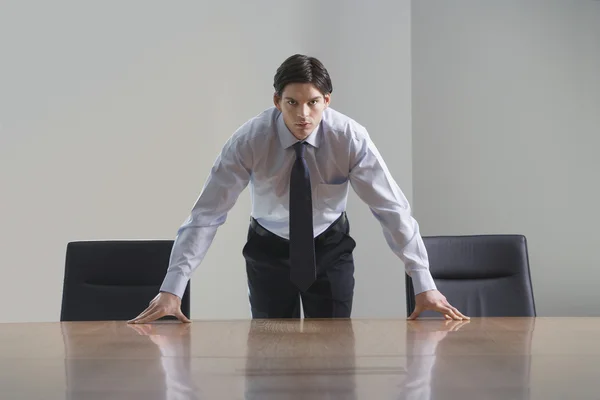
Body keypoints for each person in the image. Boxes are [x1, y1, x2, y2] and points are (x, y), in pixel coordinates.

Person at [128, 54, 468, 324]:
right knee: (269, 357)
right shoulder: (249, 140)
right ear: (277, 101)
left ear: (327, 101)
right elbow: (206, 215)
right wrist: (172, 289)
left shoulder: (349, 138)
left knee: (335, 357)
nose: (303, 114)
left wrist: (424, 283)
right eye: (292, 103)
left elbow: (391, 209)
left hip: (330, 247)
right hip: (268, 250)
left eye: (313, 102)